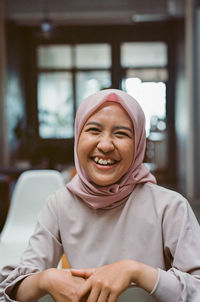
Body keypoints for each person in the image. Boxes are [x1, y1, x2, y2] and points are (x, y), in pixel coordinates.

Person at [0, 89, 200, 302]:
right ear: (78, 136)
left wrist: (136, 272)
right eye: (94, 130)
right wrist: (45, 279)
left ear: (139, 144)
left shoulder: (170, 207)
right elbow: (9, 290)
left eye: (121, 134)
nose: (105, 145)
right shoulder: (60, 204)